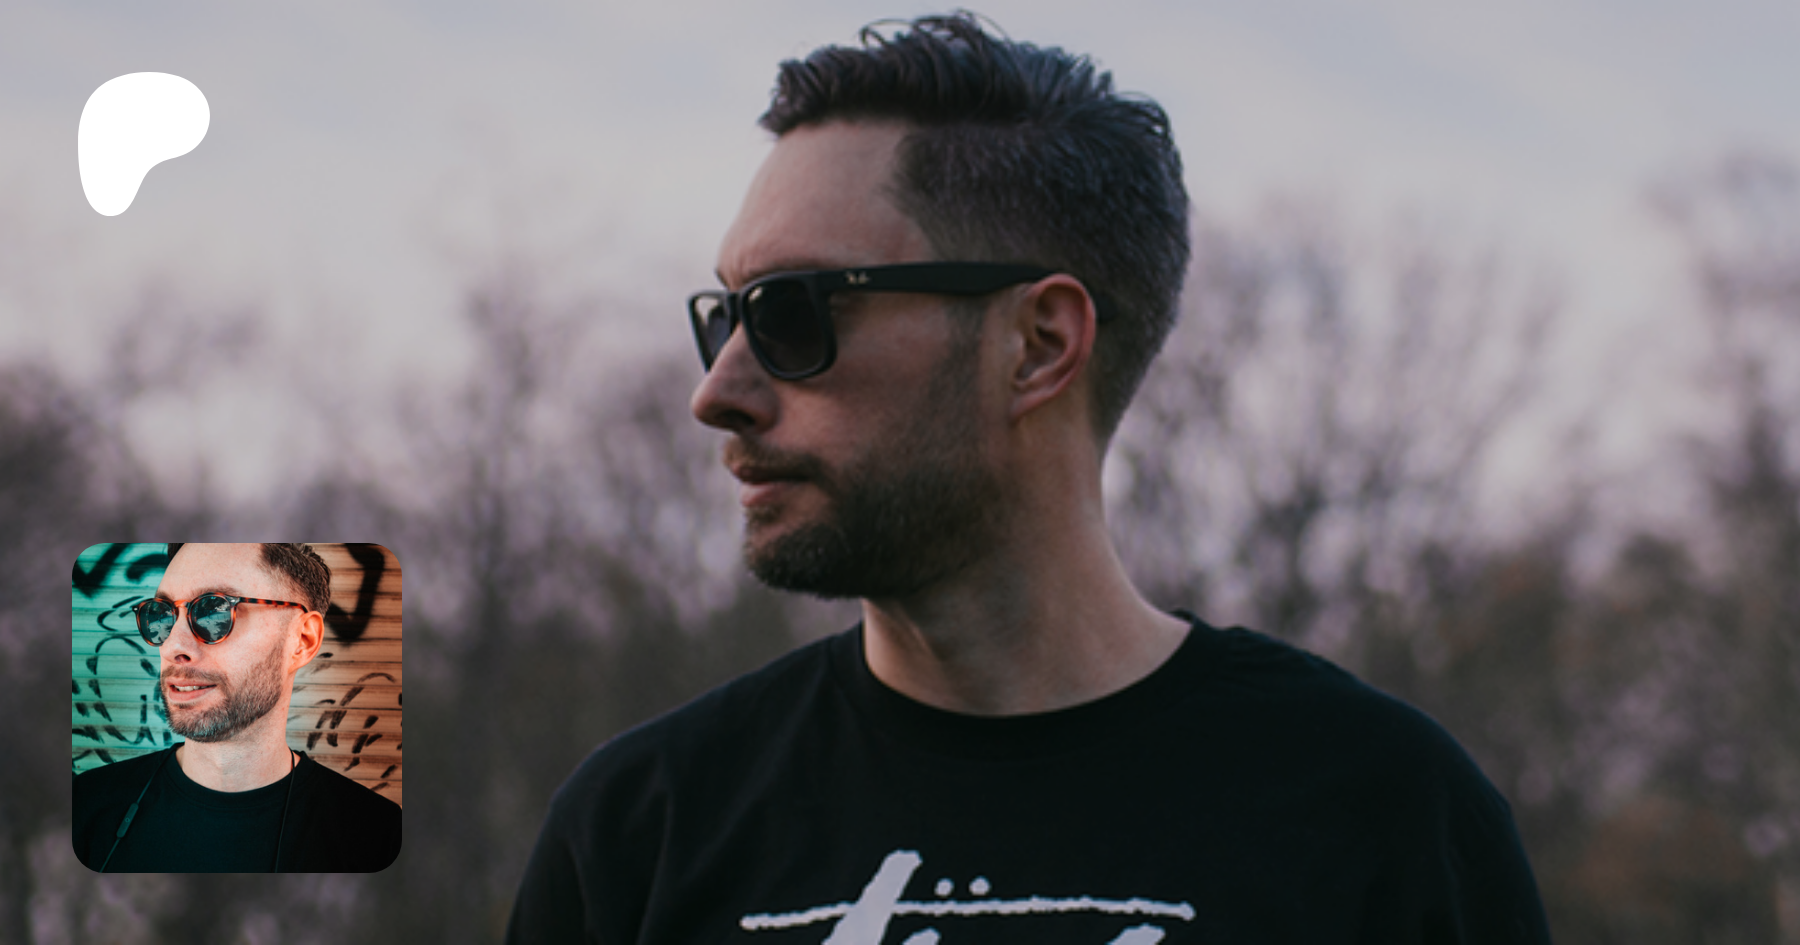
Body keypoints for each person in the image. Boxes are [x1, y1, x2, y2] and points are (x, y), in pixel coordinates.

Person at [509, 13, 1551, 943]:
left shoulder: (1387, 819)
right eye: (725, 317)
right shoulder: (639, 834)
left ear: (1040, 345)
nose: (718, 392)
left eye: (791, 313)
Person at [72, 542, 401, 872]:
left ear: (302, 640)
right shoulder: (83, 809)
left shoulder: (378, 838)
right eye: (162, 614)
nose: (173, 645)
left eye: (213, 612)